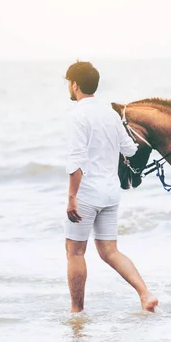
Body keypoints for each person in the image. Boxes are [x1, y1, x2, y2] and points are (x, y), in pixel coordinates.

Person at [64, 60, 158, 313]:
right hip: (110, 193)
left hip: (87, 194)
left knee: (75, 252)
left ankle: (77, 312)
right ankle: (145, 294)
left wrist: (72, 197)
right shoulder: (110, 113)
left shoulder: (76, 116)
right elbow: (130, 149)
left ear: (74, 85)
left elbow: (76, 161)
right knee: (110, 251)